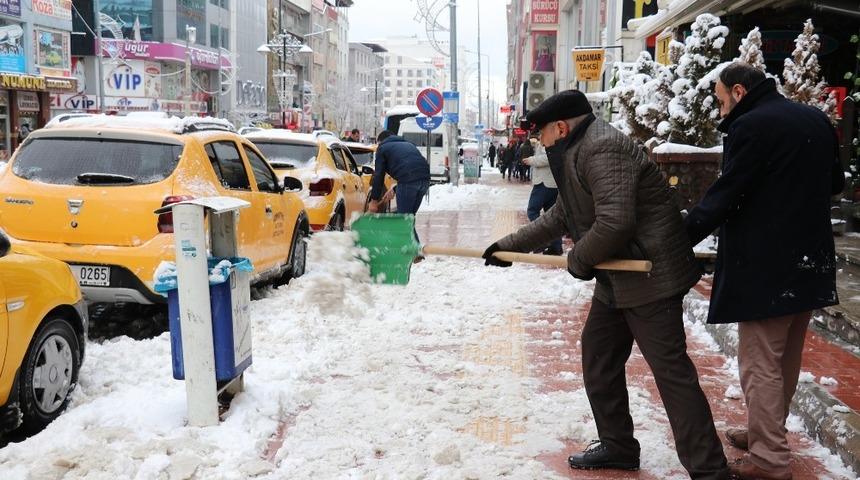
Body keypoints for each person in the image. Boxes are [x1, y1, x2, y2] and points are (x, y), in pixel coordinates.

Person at [482, 90, 729, 480]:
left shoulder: (602, 149)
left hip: (650, 276)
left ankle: (709, 469)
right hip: (619, 275)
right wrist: (505, 248)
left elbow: (615, 223)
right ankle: (618, 445)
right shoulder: (577, 152)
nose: (539, 142)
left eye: (541, 134)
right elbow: (561, 217)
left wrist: (578, 261)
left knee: (671, 374)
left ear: (560, 127)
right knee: (599, 359)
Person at [685, 63, 843, 480]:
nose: (721, 113)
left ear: (739, 91)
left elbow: (727, 193)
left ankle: (769, 460)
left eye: (721, 101)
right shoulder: (815, 118)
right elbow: (835, 184)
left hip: (766, 265)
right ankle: (764, 433)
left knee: (760, 363)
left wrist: (680, 233)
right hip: (811, 260)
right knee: (785, 357)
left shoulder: (751, 126)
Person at [368, 130, 431, 240]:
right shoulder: (409, 145)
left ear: (381, 141)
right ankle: (414, 251)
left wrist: (373, 201)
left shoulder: (383, 148)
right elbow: (412, 169)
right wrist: (396, 189)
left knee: (403, 220)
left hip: (408, 181)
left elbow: (378, 175)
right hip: (425, 181)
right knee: (408, 218)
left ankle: (414, 250)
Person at [522, 137, 562, 255]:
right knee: (552, 217)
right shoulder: (554, 138)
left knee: (532, 211)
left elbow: (548, 158)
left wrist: (531, 160)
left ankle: (542, 240)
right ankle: (556, 246)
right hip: (552, 184)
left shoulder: (550, 140)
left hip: (544, 183)